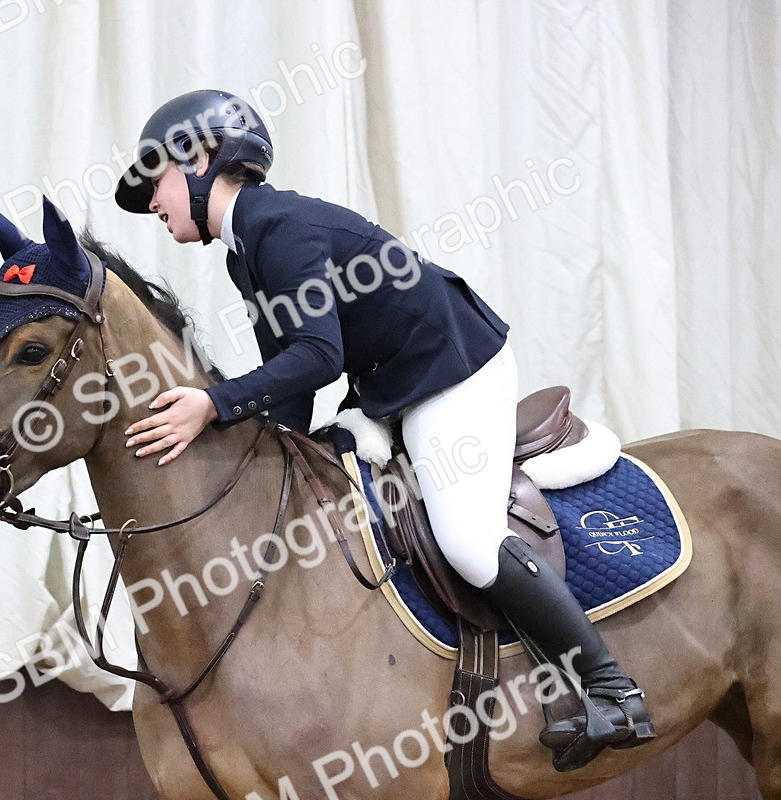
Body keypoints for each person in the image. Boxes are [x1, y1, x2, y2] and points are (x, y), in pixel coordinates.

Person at [114, 89, 655, 771]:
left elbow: (317, 356)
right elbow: (296, 381)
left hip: (454, 371)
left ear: (198, 158)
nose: (154, 204)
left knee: (468, 542)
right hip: (391, 386)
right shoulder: (245, 248)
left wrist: (213, 405)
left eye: (155, 181)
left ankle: (611, 686)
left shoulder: (279, 229)